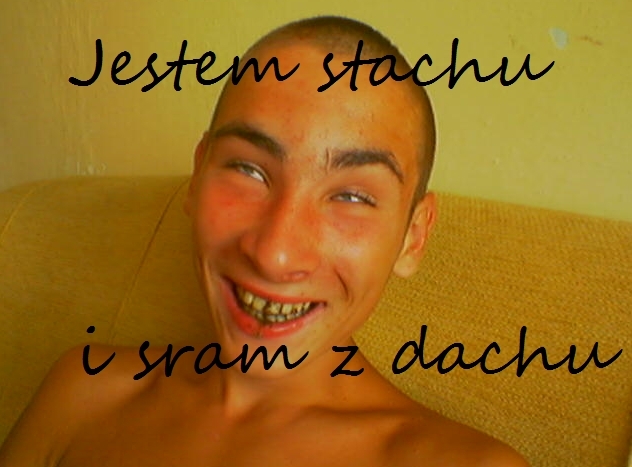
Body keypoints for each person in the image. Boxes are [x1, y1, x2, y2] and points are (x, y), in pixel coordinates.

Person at [0, 16, 528, 467]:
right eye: (249, 170)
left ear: (413, 237)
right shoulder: (82, 393)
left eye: (352, 196)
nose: (275, 255)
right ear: (198, 174)